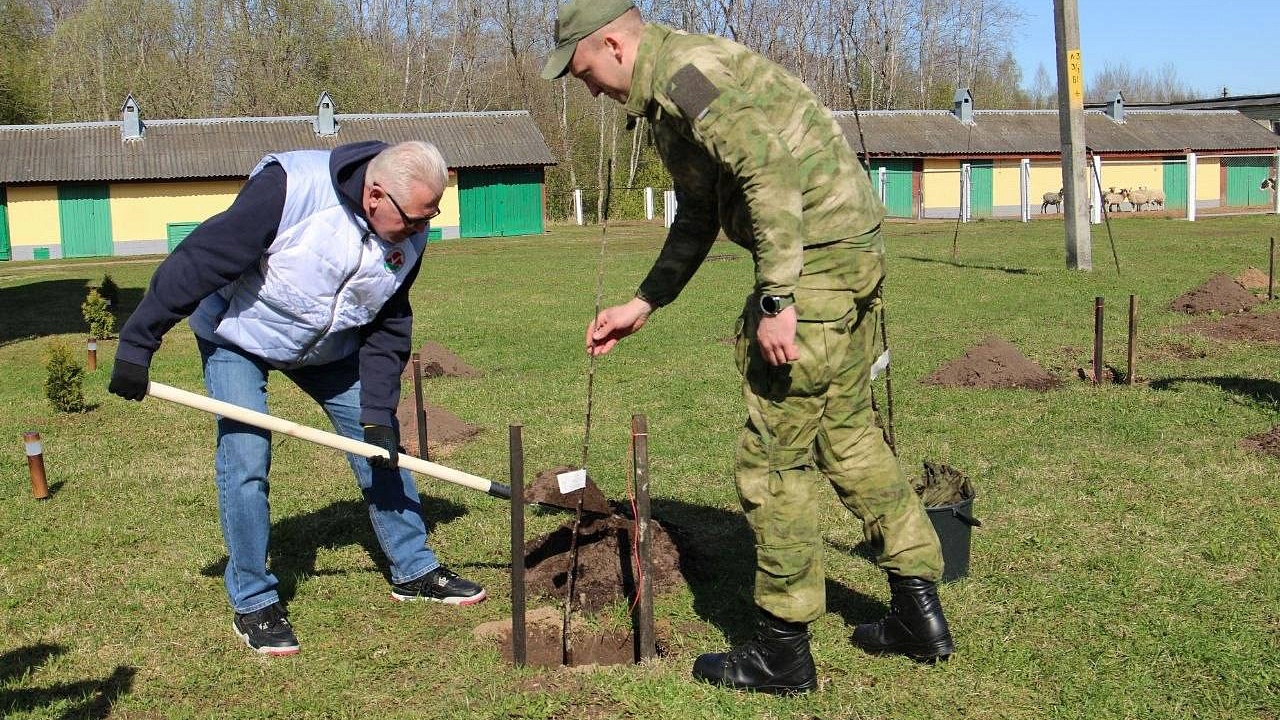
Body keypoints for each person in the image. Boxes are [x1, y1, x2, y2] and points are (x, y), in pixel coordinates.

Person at [543, 0, 954, 694]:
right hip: (845, 257)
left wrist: (776, 300)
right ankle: (919, 613)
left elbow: (770, 175)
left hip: (814, 270)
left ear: (612, 42)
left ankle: (782, 651)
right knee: (847, 436)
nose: (589, 90)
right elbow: (699, 212)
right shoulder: (672, 96)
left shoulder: (686, 77)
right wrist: (645, 302)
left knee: (772, 462)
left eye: (585, 72)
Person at [108, 140, 486, 657]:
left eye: (431, 217)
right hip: (238, 335)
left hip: (328, 348)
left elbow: (389, 326)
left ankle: (414, 569)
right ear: (375, 195)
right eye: (416, 219)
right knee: (245, 456)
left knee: (380, 446)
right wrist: (136, 344)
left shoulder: (409, 234)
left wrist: (376, 409)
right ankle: (254, 600)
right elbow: (201, 259)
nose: (424, 230)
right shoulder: (290, 190)